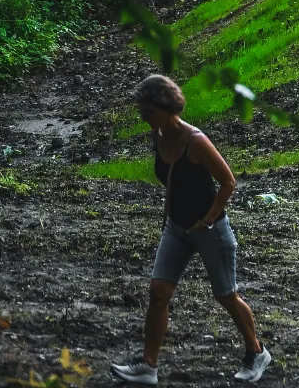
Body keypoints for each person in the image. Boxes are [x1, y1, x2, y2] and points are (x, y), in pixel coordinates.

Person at [110, 75, 271, 385]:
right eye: (142, 114)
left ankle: (257, 352)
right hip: (176, 228)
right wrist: (168, 219)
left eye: (148, 113)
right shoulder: (157, 136)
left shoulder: (196, 141)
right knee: (159, 292)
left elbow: (228, 183)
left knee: (226, 295)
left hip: (210, 230)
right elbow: (171, 180)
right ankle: (148, 365)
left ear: (166, 107)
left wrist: (207, 220)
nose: (144, 120)